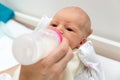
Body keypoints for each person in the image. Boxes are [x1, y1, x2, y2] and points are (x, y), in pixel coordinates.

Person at [0, 6, 104, 80]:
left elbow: (95, 73)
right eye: (54, 25)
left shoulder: (78, 56)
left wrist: (88, 52)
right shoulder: (42, 42)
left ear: (81, 42)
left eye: (69, 29)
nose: (58, 30)